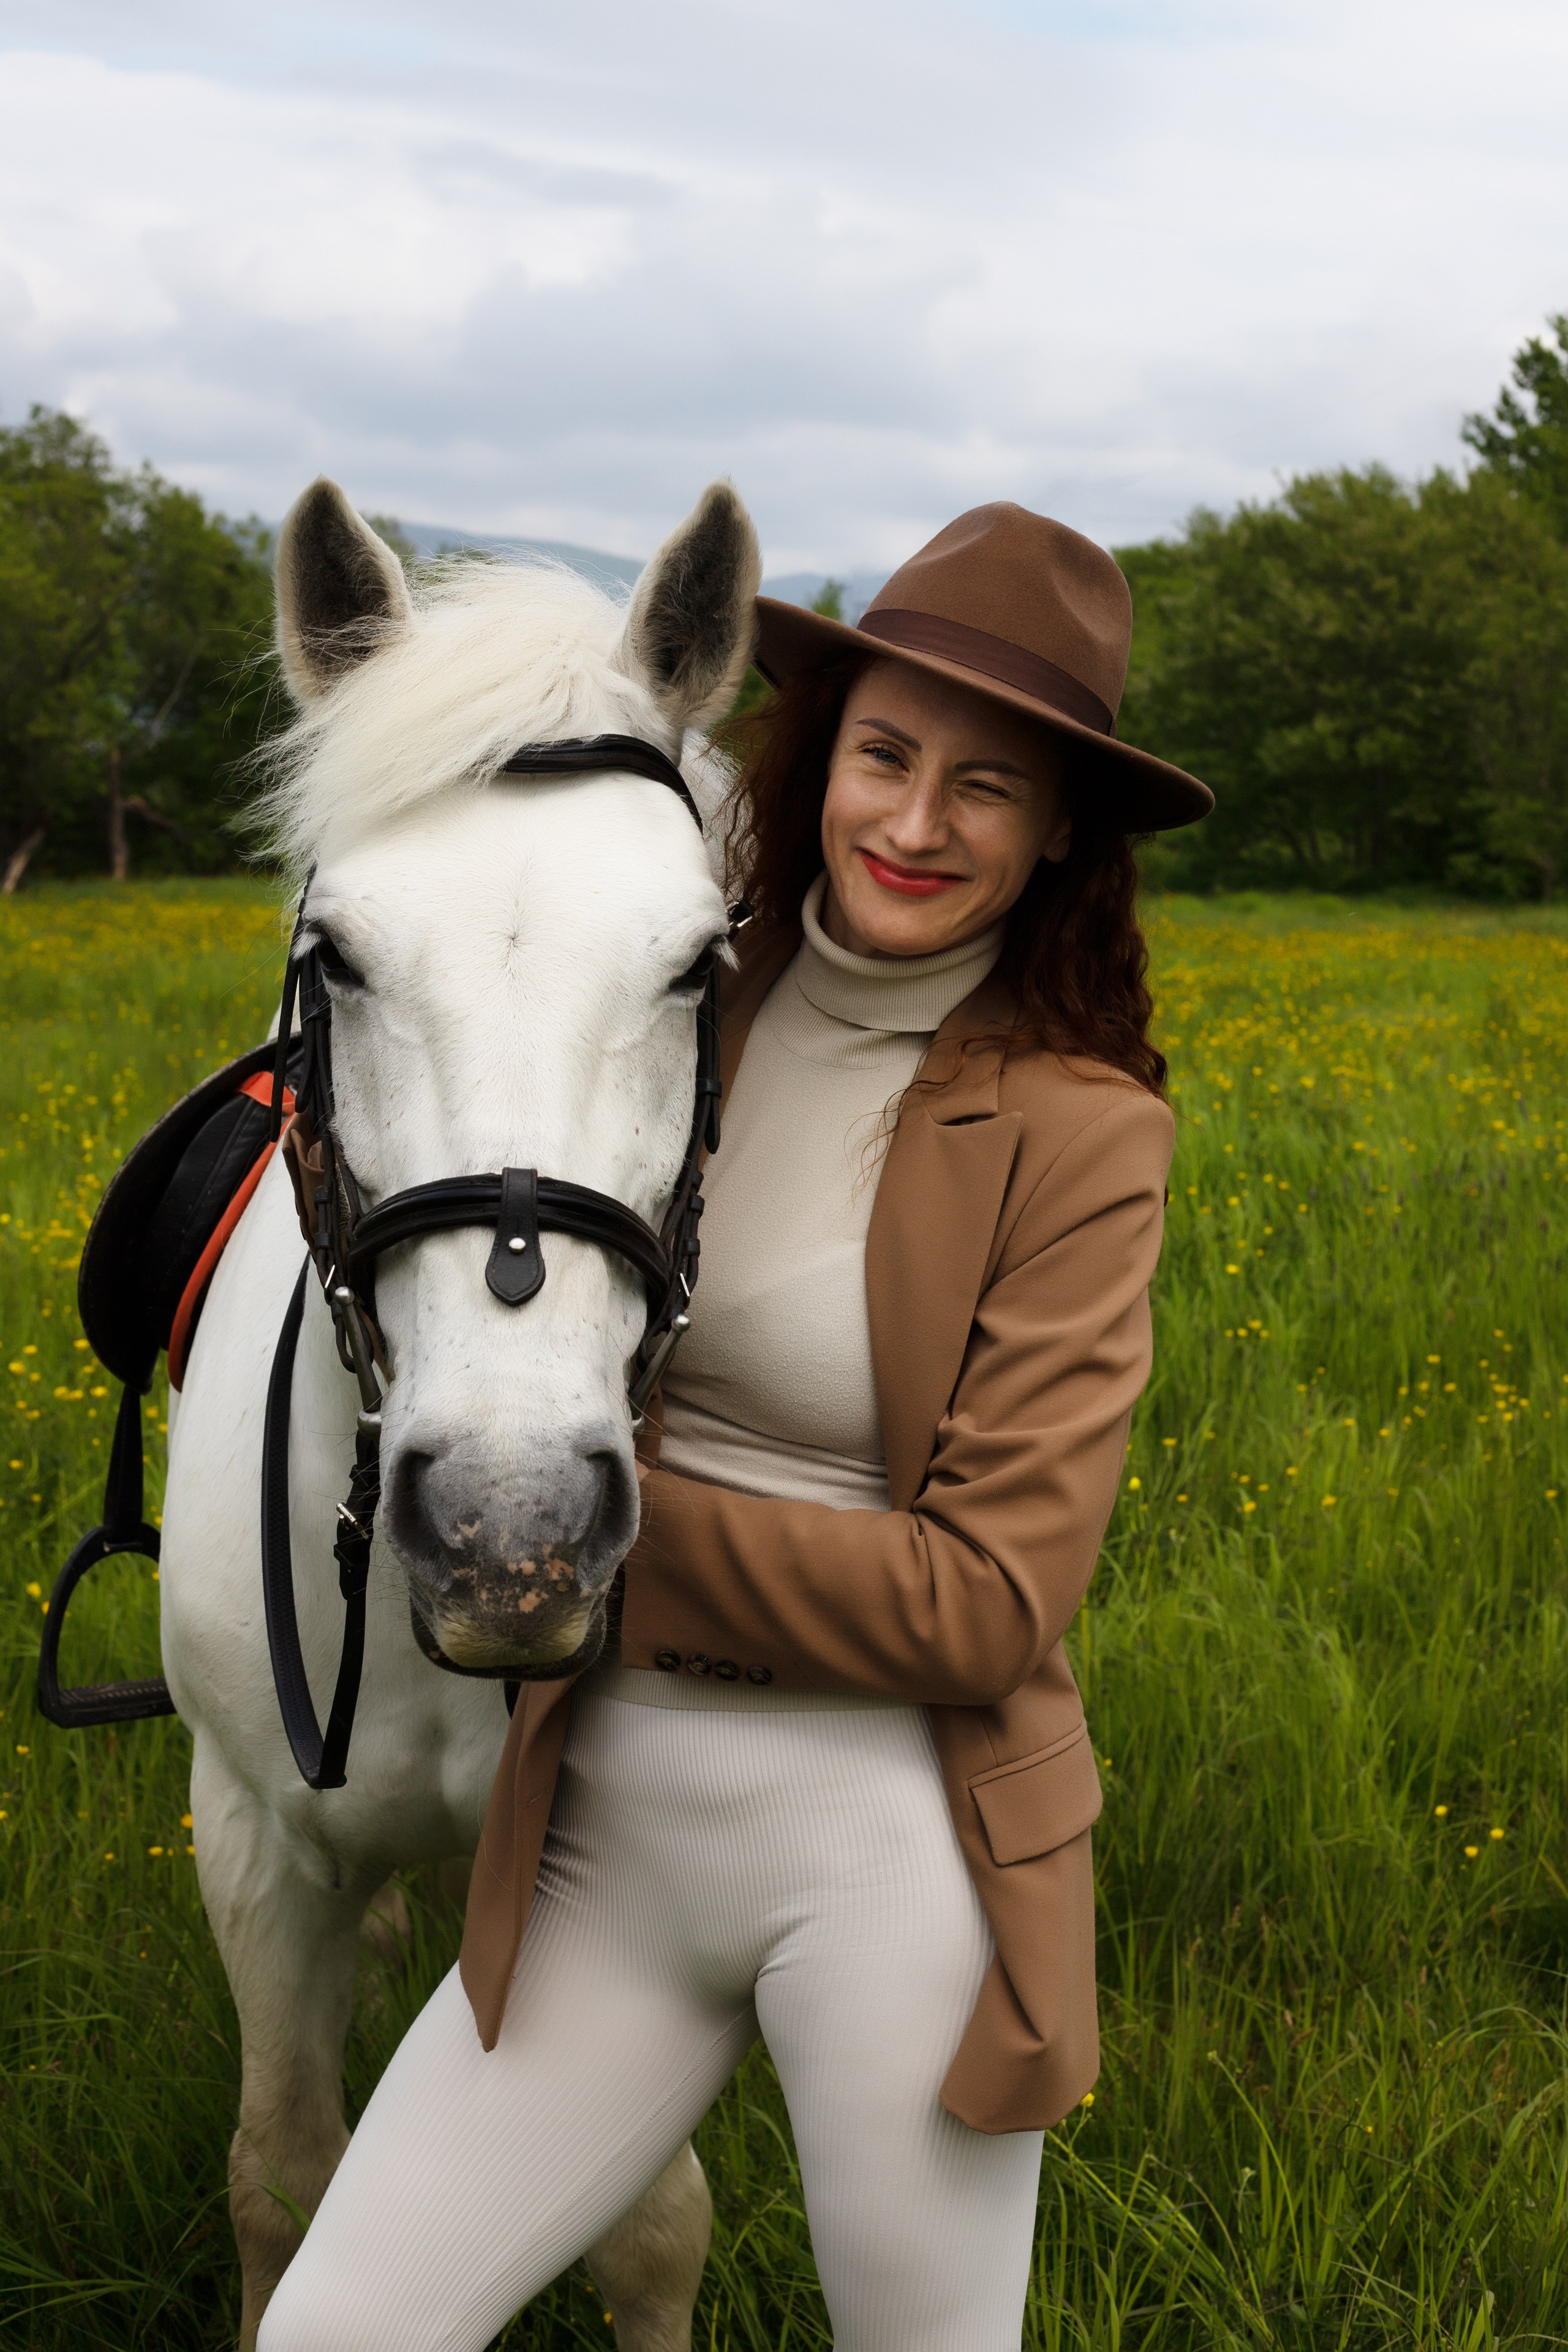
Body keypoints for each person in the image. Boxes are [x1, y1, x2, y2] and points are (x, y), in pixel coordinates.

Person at [260, 502, 1213, 2351]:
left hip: (892, 1858)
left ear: (1059, 836)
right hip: (604, 1833)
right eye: (884, 757)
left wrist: (596, 1515)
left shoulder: (1084, 1132)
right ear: (814, 757)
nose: (916, 824)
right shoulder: (687, 999)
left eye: (989, 788)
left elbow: (988, 1604)